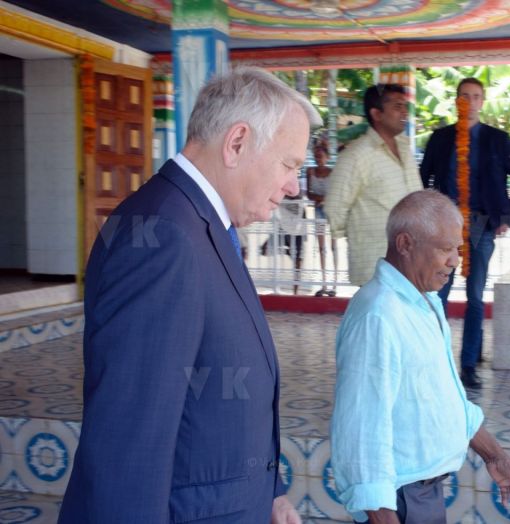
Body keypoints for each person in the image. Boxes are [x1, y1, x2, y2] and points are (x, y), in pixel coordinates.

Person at [58, 68, 321, 523]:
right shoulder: (164, 234)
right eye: (289, 164)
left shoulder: (200, 223)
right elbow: (129, 436)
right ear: (237, 143)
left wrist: (268, 495)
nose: (294, 186)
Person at [331, 189, 510, 524]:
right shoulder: (378, 315)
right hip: (397, 502)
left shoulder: (423, 302)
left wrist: (495, 456)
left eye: (457, 249)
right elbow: (361, 435)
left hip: (422, 494)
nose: (456, 261)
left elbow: (444, 399)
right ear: (405, 243)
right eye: (445, 249)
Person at [420, 77, 510, 389]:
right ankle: (434, 362)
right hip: (444, 225)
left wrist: (507, 216)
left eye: (476, 96)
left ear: (483, 102)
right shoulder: (440, 139)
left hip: (482, 226)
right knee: (436, 295)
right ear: (457, 101)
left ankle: (468, 365)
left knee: (475, 297)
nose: (469, 102)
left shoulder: (498, 139)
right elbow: (421, 179)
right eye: (464, 96)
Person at [325, 84, 422, 286]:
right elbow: (335, 207)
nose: (404, 112)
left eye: (405, 106)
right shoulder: (356, 155)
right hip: (375, 264)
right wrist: (361, 238)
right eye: (397, 106)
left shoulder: (405, 149)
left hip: (411, 260)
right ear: (376, 114)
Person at [307, 136, 338, 297]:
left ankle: (334, 283)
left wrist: (322, 199)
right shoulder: (310, 171)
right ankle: (325, 283)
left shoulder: (332, 172)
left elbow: (334, 193)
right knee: (321, 248)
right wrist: (321, 199)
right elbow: (309, 194)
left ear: (327, 157)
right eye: (316, 156)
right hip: (319, 210)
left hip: (330, 210)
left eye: (321, 156)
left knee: (333, 247)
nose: (319, 159)